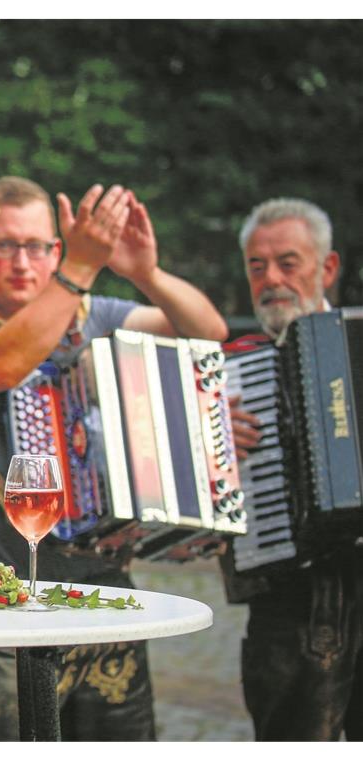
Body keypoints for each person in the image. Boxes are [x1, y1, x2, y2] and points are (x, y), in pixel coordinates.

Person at [0, 175, 228, 740]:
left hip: (101, 588)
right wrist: (77, 271)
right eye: (2, 245)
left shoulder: (91, 312)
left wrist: (145, 274)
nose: (21, 261)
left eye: (38, 246)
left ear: (56, 249)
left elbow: (205, 333)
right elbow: (2, 366)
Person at [223, 197, 360, 741]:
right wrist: (215, 444)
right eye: (257, 266)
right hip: (291, 597)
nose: (271, 279)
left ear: (327, 268)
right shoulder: (235, 366)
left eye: (287, 262)